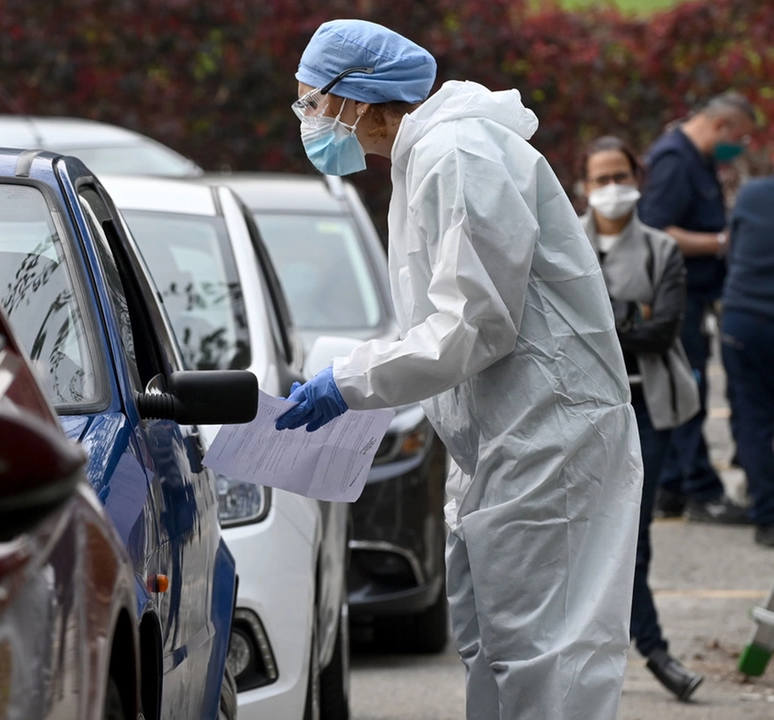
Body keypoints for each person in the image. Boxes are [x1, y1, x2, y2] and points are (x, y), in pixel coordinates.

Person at [275, 19, 642, 719]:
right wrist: (361, 378)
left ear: (361, 99)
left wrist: (351, 382)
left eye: (312, 102)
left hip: (547, 439)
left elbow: (474, 322)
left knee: (547, 661)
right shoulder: (425, 158)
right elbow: (439, 319)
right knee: (498, 649)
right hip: (503, 439)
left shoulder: (459, 153)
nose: (308, 120)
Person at [579, 136, 705, 699]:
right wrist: (631, 316)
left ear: (638, 179)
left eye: (619, 176)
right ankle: (641, 650)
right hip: (579, 412)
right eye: (599, 178)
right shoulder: (564, 242)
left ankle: (651, 650)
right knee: (583, 535)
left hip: (647, 411)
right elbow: (562, 333)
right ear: (582, 186)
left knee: (632, 536)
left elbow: (662, 332)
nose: (610, 189)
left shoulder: (660, 250)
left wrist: (608, 323)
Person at [638, 92, 757, 523]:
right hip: (677, 295)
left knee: (686, 389)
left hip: (697, 292)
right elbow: (657, 229)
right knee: (688, 394)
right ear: (721, 125)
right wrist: (723, 242)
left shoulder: (698, 158)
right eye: (738, 137)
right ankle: (698, 491)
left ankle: (670, 487)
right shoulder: (674, 159)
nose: (739, 148)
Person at [720, 166, 774, 547]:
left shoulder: (753, 194)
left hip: (743, 318)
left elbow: (731, 253)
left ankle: (766, 517)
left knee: (753, 419)